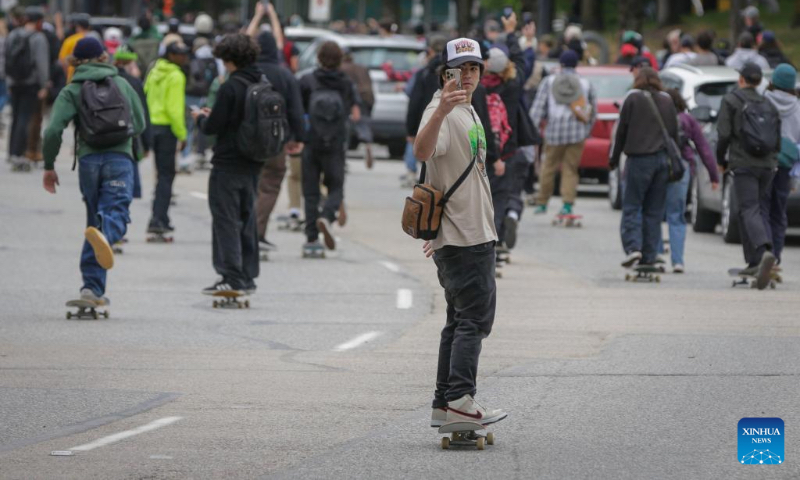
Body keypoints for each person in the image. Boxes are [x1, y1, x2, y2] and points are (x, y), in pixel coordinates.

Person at [413, 37, 507, 428]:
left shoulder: (468, 109)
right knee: (475, 320)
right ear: (444, 73)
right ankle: (460, 401)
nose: (467, 76)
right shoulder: (443, 110)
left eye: (474, 69)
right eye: (459, 69)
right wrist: (440, 112)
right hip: (465, 236)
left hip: (470, 231)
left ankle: (444, 401)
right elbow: (421, 152)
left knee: (459, 320)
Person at [41, 37, 145, 304]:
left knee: (93, 221)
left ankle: (92, 288)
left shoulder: (72, 89)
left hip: (89, 161)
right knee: (114, 215)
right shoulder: (121, 82)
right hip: (120, 159)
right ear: (103, 57)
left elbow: (53, 131)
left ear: (76, 60)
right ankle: (107, 236)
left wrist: (49, 166)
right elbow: (141, 123)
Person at [192, 33, 264, 295]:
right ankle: (247, 276)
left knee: (225, 219)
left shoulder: (230, 87)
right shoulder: (262, 83)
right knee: (246, 218)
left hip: (228, 161)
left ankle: (231, 276)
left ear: (229, 59)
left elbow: (213, 127)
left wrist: (200, 118)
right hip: (254, 161)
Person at [716, 62, 780, 289]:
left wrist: (720, 160)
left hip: (744, 164)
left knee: (748, 208)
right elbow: (777, 137)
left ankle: (763, 252)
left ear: (742, 79)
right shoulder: (768, 103)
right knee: (758, 209)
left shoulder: (732, 100)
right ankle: (754, 261)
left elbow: (723, 134)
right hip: (768, 165)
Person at [610, 67, 678, 268]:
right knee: (653, 211)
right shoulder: (667, 100)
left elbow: (621, 131)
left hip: (639, 159)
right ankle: (649, 254)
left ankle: (633, 248)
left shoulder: (632, 99)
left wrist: (614, 158)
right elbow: (674, 133)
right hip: (662, 161)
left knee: (632, 206)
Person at [298, 41, 360, 252]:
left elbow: (298, 110)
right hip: (335, 142)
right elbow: (352, 109)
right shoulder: (345, 82)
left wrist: (296, 137)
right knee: (336, 186)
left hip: (311, 141)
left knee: (310, 191)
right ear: (340, 59)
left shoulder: (307, 80)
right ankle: (327, 216)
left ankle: (311, 239)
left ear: (318, 58)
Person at [253, 30, 304, 252]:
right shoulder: (285, 75)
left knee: (248, 184)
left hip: (246, 140)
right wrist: (298, 137)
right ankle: (258, 231)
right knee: (271, 183)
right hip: (276, 139)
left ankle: (243, 231)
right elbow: (296, 109)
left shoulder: (248, 72)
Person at [659, 89, 720, 273]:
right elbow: (704, 148)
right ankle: (678, 261)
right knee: (676, 215)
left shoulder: (657, 117)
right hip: (681, 168)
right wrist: (713, 175)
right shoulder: (687, 120)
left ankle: (654, 254)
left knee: (652, 212)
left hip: (658, 166)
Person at [529, 50, 596, 216]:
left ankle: (543, 202)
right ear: (576, 64)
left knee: (548, 167)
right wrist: (586, 130)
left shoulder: (549, 81)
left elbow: (538, 109)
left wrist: (532, 130)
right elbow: (593, 111)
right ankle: (567, 204)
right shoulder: (585, 83)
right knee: (571, 169)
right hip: (577, 133)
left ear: (560, 64)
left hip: (554, 133)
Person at [482, 44, 535, 252]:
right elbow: (523, 66)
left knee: (487, 197)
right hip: (510, 149)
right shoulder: (512, 86)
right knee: (506, 193)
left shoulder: (479, 89)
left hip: (486, 150)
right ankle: (503, 229)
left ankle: (489, 240)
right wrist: (514, 37)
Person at [144, 41, 190, 235]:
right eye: (180, 54)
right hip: (167, 129)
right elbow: (175, 108)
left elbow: (145, 95)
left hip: (151, 126)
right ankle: (158, 218)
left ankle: (161, 216)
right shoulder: (176, 76)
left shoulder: (154, 71)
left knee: (160, 173)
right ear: (171, 55)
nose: (184, 58)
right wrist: (182, 133)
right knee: (166, 175)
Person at [764, 64, 800, 267]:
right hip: (786, 164)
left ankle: (764, 250)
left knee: (762, 207)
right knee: (779, 211)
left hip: (764, 160)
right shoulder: (798, 107)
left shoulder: (764, 101)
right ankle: (776, 255)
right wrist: (795, 176)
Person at [6, 7, 49, 171]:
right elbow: (41, 64)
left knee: (15, 117)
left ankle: (11, 152)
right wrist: (44, 85)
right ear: (39, 22)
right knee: (25, 118)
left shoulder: (13, 35)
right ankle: (20, 154)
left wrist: (9, 81)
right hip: (30, 83)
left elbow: (6, 59)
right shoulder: (38, 38)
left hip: (14, 82)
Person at [113, 44, 152, 202]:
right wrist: (147, 143)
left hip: (101, 138)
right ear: (131, 64)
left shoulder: (104, 79)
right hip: (128, 140)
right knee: (124, 194)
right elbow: (142, 114)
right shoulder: (134, 83)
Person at [58, 13, 89, 82]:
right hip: (91, 79)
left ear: (78, 26)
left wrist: (68, 75)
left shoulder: (70, 40)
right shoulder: (94, 39)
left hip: (73, 77)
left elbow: (62, 61)